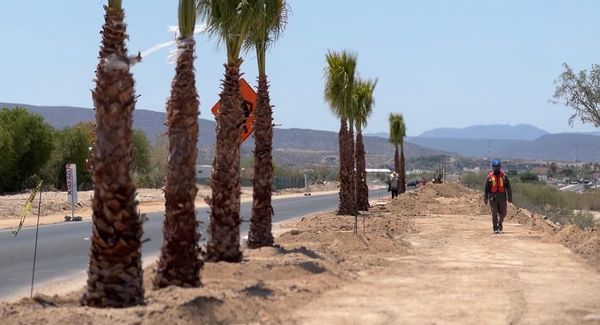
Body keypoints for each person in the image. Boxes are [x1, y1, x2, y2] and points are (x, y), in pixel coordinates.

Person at [484, 159, 512, 234]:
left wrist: (510, 198)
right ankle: (495, 228)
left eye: (498, 166)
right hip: (492, 197)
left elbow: (508, 188)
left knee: (504, 212)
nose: (496, 168)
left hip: (502, 197)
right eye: (495, 166)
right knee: (494, 213)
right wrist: (485, 198)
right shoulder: (489, 177)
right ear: (493, 167)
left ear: (500, 167)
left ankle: (500, 222)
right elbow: (486, 189)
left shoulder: (504, 176)